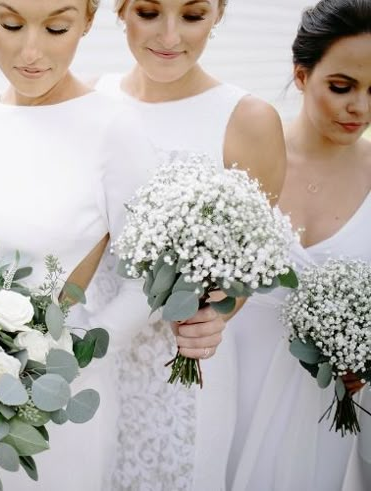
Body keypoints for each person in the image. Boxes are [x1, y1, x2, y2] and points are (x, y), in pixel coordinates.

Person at [0, 1, 227, 489]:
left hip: (53, 410)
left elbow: (145, 285)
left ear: (87, 21)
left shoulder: (113, 129)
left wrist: (55, 373)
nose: (31, 50)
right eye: (11, 24)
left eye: (57, 27)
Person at [90, 0, 287, 488]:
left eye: (193, 15)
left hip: (181, 370)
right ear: (120, 9)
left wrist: (217, 313)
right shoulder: (94, 99)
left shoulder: (249, 119)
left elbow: (252, 261)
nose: (170, 36)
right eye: (149, 12)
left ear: (219, 13)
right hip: (92, 356)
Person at [227, 1, 371, 489]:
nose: (361, 108)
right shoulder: (242, 151)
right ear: (302, 75)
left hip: (321, 411)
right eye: (342, 87)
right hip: (227, 387)